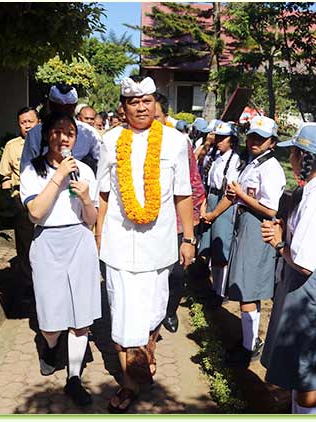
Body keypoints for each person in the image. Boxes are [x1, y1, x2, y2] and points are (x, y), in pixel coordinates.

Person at [96, 76, 196, 412]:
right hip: (119, 245)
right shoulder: (109, 141)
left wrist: (188, 237)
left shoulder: (175, 141)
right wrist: (97, 236)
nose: (141, 107)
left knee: (152, 313)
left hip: (159, 246)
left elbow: (184, 193)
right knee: (122, 314)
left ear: (155, 103)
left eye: (147, 100)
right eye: (133, 102)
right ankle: (129, 383)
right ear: (123, 108)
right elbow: (103, 195)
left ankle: (145, 354)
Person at [260, 123, 316, 414]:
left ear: (302, 156)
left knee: (306, 371)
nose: (290, 159)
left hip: (309, 284)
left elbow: (305, 263)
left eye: (293, 153)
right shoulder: (312, 192)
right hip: (302, 283)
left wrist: (278, 243)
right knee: (298, 367)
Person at [19, 112, 101, 406]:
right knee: (51, 318)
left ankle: (74, 378)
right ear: (46, 136)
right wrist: (58, 177)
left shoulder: (86, 172)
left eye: (69, 132)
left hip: (80, 241)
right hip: (47, 242)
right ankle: (51, 346)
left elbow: (91, 220)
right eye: (56, 131)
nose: (63, 137)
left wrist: (86, 197)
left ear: (76, 138)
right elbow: (36, 213)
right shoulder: (32, 170)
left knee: (80, 318)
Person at [220, 115, 286, 368]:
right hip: (246, 223)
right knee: (245, 288)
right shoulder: (254, 163)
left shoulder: (270, 168)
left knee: (249, 290)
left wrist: (240, 196)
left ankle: (250, 347)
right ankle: (248, 341)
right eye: (252, 136)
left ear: (272, 142)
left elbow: (271, 209)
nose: (254, 141)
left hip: (258, 227)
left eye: (261, 138)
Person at [153, 94, 206, 334]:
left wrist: (192, 222)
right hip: (147, 221)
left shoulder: (179, 143)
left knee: (176, 271)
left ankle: (170, 309)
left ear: (165, 117)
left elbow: (193, 180)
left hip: (175, 220)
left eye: (156, 117)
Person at [0, 106, 40, 298]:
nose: (27, 126)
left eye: (31, 121)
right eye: (23, 122)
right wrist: (8, 200)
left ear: (38, 122)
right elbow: (5, 176)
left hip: (45, 200)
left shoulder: (48, 142)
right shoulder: (11, 146)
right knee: (25, 245)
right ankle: (28, 284)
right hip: (21, 202)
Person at [199, 121, 242, 307]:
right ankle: (213, 287)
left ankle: (220, 291)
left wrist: (214, 213)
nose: (219, 142)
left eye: (223, 139)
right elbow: (209, 185)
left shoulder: (235, 160)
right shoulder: (217, 157)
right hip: (212, 201)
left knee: (222, 248)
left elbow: (230, 194)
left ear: (232, 140)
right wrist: (205, 207)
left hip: (223, 206)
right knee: (211, 246)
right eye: (218, 138)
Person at [20, 84, 102, 174]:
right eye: (58, 108)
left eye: (67, 109)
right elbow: (26, 168)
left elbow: (100, 164)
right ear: (50, 106)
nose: (62, 114)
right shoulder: (35, 133)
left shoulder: (89, 133)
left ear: (74, 107)